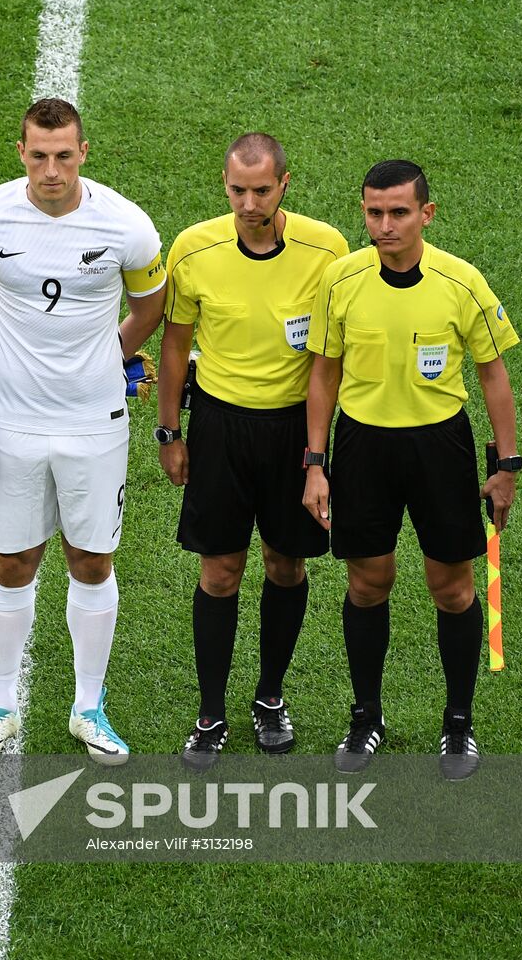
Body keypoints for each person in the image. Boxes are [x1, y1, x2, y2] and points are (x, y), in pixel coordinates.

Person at [0, 97, 165, 766]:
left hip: (93, 420)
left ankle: (88, 707)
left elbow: (149, 303)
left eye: (64, 156)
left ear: (84, 153)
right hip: (14, 419)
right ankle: (0, 705)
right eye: (39, 156)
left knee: (91, 558)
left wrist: (108, 358)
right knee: (13, 560)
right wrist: (3, 362)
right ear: (20, 152)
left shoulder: (126, 226)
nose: (51, 170)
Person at [304, 159, 522, 780]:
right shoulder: (341, 280)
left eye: (399, 212)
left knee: (451, 588)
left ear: (426, 213)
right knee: (367, 584)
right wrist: (315, 463)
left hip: (440, 449)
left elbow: (493, 377)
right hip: (362, 448)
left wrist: (506, 466)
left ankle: (458, 723)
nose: (384, 224)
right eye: (374, 212)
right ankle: (366, 717)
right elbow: (324, 373)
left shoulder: (462, 282)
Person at [156, 134, 349, 771]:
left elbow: (329, 359)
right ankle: (210, 713)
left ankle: (270, 696)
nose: (248, 202)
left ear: (285, 185)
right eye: (237, 190)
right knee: (219, 572)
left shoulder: (328, 250)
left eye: (261, 190)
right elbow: (174, 344)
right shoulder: (194, 248)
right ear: (225, 183)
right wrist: (169, 432)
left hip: (294, 430)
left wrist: (316, 457)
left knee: (286, 565)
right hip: (218, 427)